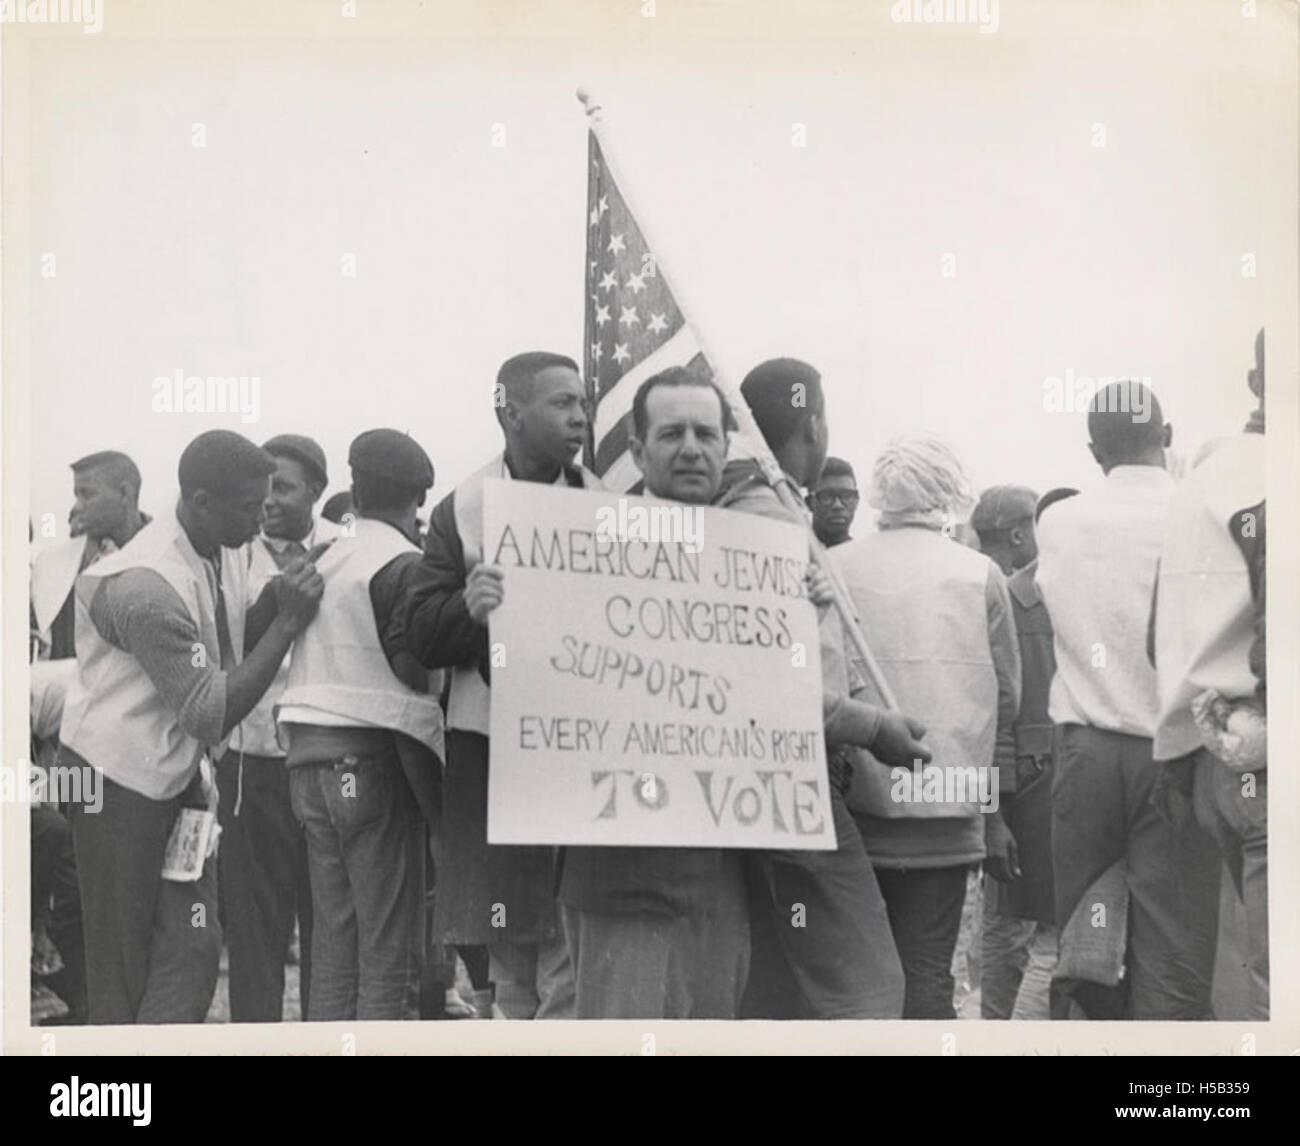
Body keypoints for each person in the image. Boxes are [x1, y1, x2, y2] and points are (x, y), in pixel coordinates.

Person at [59, 430, 325, 1024]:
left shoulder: (219, 542)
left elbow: (222, 640)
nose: (262, 520)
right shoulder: (143, 584)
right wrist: (288, 621)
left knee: (194, 948)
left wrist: (277, 597)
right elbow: (208, 706)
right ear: (201, 501)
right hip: (111, 783)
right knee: (122, 967)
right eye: (249, 508)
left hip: (170, 779)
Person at [716, 358, 929, 1019]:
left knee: (777, 985)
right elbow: (771, 685)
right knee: (868, 986)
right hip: (793, 778)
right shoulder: (768, 520)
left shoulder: (750, 507)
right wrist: (873, 729)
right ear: (813, 425)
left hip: (753, 782)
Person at [402, 351, 595, 1019]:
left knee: (574, 941)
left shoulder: (606, 500)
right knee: (513, 938)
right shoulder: (465, 506)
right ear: (509, 410)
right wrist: (468, 609)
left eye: (582, 403)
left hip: (586, 748)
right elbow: (419, 632)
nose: (579, 417)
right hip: (493, 750)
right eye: (561, 403)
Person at [1036, 381, 1221, 1019]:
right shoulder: (1198, 513)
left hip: (1084, 751)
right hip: (1176, 751)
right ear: (1167, 438)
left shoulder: (1057, 521)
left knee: (1088, 944)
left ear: (1093, 451)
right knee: (1173, 946)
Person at [834, 436, 1021, 1019]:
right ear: (946, 489)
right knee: (928, 970)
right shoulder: (981, 574)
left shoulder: (836, 566)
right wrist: (993, 812)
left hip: (856, 806)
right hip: (948, 808)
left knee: (860, 974)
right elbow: (1008, 698)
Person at [277, 429, 443, 1021]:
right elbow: (413, 670)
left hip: (308, 767)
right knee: (388, 950)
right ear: (419, 497)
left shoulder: (326, 554)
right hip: (369, 765)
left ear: (355, 487)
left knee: (334, 943)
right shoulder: (402, 563)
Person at [1151, 330, 1267, 1019]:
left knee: (1248, 972)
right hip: (1268, 746)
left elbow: (1157, 631)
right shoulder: (1271, 474)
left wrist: (1179, 757)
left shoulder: (1200, 481)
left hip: (1214, 757)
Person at [217, 434, 339, 1021]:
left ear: (317, 491)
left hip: (325, 760)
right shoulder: (231, 552)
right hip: (252, 765)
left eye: (284, 488)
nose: (267, 502)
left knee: (329, 929)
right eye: (262, 490)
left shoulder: (344, 549)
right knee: (254, 932)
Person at [974, 485, 1077, 1020]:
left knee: (1003, 921)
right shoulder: (1036, 593)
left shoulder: (1001, 592)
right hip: (1044, 771)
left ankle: (994, 1027)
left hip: (1009, 772)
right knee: (1048, 930)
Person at [32, 451, 149, 661]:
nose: (77, 506)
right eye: (77, 495)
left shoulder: (170, 555)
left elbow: (200, 649)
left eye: (87, 495)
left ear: (125, 493)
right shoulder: (49, 563)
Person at [807, 456, 859, 548]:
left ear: (856, 501)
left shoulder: (865, 556)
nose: (838, 505)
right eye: (827, 497)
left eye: (847, 496)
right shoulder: (796, 552)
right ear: (809, 503)